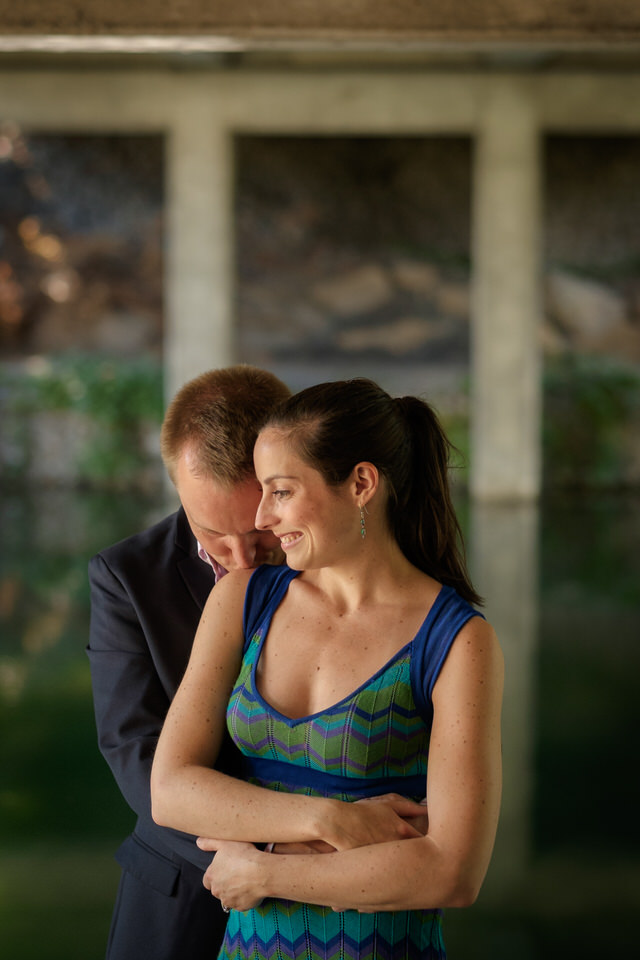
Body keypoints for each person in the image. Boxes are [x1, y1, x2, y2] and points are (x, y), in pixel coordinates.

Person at [151, 377, 504, 960]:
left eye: (282, 491)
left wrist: (265, 873)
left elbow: (452, 872)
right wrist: (329, 820)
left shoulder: (457, 640)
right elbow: (172, 790)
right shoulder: (243, 599)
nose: (263, 517)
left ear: (362, 483)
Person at [87, 365, 292, 960]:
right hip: (179, 891)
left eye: (259, 539)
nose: (238, 564)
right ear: (175, 482)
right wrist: (269, 854)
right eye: (212, 535)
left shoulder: (342, 565)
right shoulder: (126, 577)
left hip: (334, 895)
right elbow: (135, 751)